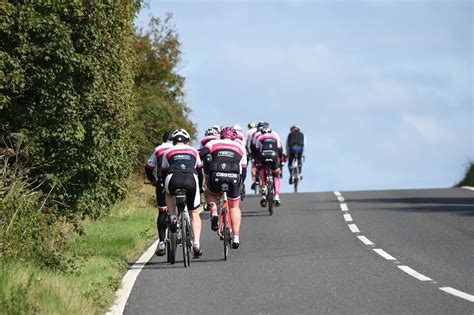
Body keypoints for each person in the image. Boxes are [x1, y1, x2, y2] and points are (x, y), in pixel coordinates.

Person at [199, 127, 247, 249]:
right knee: (234, 207)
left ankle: (214, 211)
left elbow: (201, 154)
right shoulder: (241, 147)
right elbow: (244, 170)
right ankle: (236, 237)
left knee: (210, 193)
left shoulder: (213, 143)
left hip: (216, 175)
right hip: (234, 177)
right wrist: (241, 184)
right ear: (234, 137)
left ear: (221, 136)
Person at [161, 128, 204, 257]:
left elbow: (163, 171)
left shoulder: (167, 151)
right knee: (194, 213)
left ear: (173, 141)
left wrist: (164, 185)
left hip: (173, 178)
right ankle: (196, 244)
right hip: (191, 179)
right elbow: (200, 171)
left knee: (168, 193)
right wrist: (200, 187)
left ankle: (173, 216)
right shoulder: (194, 151)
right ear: (187, 141)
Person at [144, 131, 173, 256]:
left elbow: (149, 167)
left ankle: (161, 241)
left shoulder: (159, 149)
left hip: (162, 182)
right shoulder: (180, 148)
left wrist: (152, 180)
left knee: (162, 211)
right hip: (178, 181)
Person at [255, 127, 283, 206]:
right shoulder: (275, 137)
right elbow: (280, 149)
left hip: (263, 155)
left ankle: (264, 187)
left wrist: (257, 161)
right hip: (274, 155)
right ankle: (277, 196)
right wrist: (280, 160)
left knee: (262, 170)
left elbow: (256, 150)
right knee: (276, 175)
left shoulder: (259, 137)